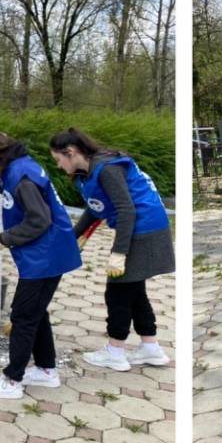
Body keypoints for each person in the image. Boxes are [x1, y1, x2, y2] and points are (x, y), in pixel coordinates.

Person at [0, 129, 81, 400]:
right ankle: (46, 370)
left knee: (23, 316)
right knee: (37, 312)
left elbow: (39, 220)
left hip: (45, 257)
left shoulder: (21, 175)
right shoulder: (20, 166)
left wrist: (4, 238)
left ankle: (12, 380)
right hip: (50, 254)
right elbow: (11, 189)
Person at [49, 128, 174, 371]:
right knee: (135, 289)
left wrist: (119, 253)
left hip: (144, 230)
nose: (59, 165)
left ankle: (115, 352)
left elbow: (127, 210)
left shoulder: (107, 169)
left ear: (71, 152)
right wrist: (74, 236)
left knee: (117, 291)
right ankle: (151, 348)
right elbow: (96, 208)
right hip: (144, 229)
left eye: (58, 160)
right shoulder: (89, 172)